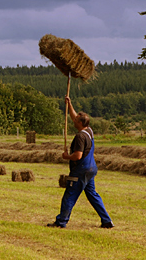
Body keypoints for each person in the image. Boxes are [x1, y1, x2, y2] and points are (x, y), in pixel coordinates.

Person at [47, 96, 114, 229]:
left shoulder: (80, 137)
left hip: (81, 170)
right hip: (91, 168)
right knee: (93, 195)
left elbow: (78, 156)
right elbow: (74, 117)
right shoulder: (89, 131)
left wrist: (66, 157)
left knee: (69, 195)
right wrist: (69, 104)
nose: (74, 120)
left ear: (80, 123)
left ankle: (61, 222)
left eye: (76, 120)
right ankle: (106, 221)